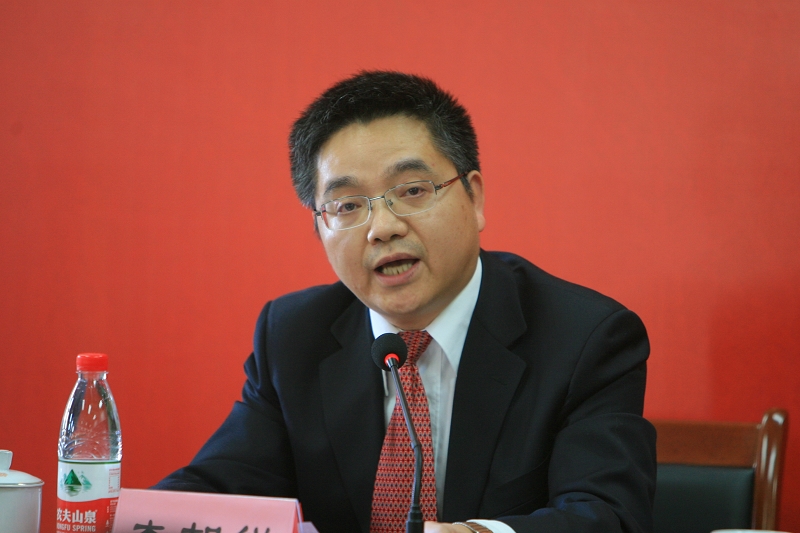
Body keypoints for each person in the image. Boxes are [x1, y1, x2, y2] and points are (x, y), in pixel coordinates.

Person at [155, 71, 657, 533]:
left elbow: (608, 516)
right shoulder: (293, 336)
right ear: (319, 227)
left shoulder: (585, 338)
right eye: (347, 205)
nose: (383, 227)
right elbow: (217, 489)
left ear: (474, 198)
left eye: (413, 190)